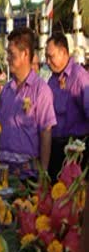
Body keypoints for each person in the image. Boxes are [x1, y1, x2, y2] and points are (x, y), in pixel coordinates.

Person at [0, 27, 56, 178]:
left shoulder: (41, 91)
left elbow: (46, 132)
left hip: (28, 176)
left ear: (25, 54)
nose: (7, 58)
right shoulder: (6, 90)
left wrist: (43, 173)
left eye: (11, 54)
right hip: (3, 173)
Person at [45, 32, 89, 179]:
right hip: (55, 149)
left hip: (76, 152)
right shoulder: (52, 80)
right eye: (46, 57)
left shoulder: (79, 77)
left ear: (63, 52)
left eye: (51, 56)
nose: (47, 61)